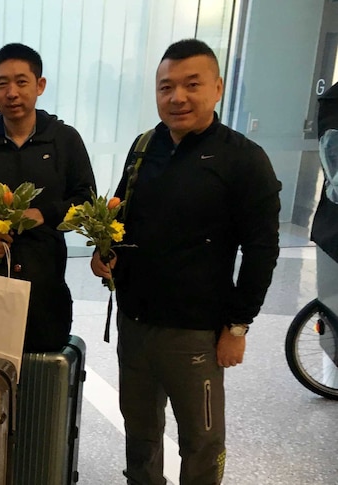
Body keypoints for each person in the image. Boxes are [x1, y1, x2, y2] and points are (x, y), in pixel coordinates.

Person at [90, 39, 281, 485]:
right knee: (140, 432)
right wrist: (107, 257)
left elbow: (261, 252)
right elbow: (123, 218)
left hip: (196, 333)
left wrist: (237, 326)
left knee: (201, 441)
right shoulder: (143, 148)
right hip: (134, 324)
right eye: (166, 87)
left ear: (216, 88)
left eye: (191, 85)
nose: (177, 97)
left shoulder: (244, 160)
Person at [0, 43, 96, 352]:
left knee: (43, 380)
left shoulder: (64, 139)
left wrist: (45, 213)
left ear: (40, 85)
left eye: (22, 82)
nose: (12, 92)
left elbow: (86, 199)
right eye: (3, 83)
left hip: (45, 287)